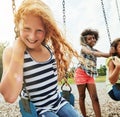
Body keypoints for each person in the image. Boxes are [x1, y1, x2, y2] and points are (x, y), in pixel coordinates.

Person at [0, 0, 83, 117]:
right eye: (26, 28)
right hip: (39, 110)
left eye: (39, 30)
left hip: (58, 102)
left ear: (46, 31)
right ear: (18, 24)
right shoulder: (11, 52)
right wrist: (18, 51)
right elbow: (10, 96)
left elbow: (50, 80)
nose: (32, 36)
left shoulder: (49, 49)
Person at [74, 29, 111, 117]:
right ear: (85, 41)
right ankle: (84, 115)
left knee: (95, 98)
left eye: (93, 38)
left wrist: (114, 53)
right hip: (80, 74)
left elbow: (104, 54)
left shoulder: (95, 49)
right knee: (82, 96)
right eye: (89, 39)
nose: (93, 40)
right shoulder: (84, 48)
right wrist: (95, 53)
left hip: (89, 76)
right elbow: (91, 52)